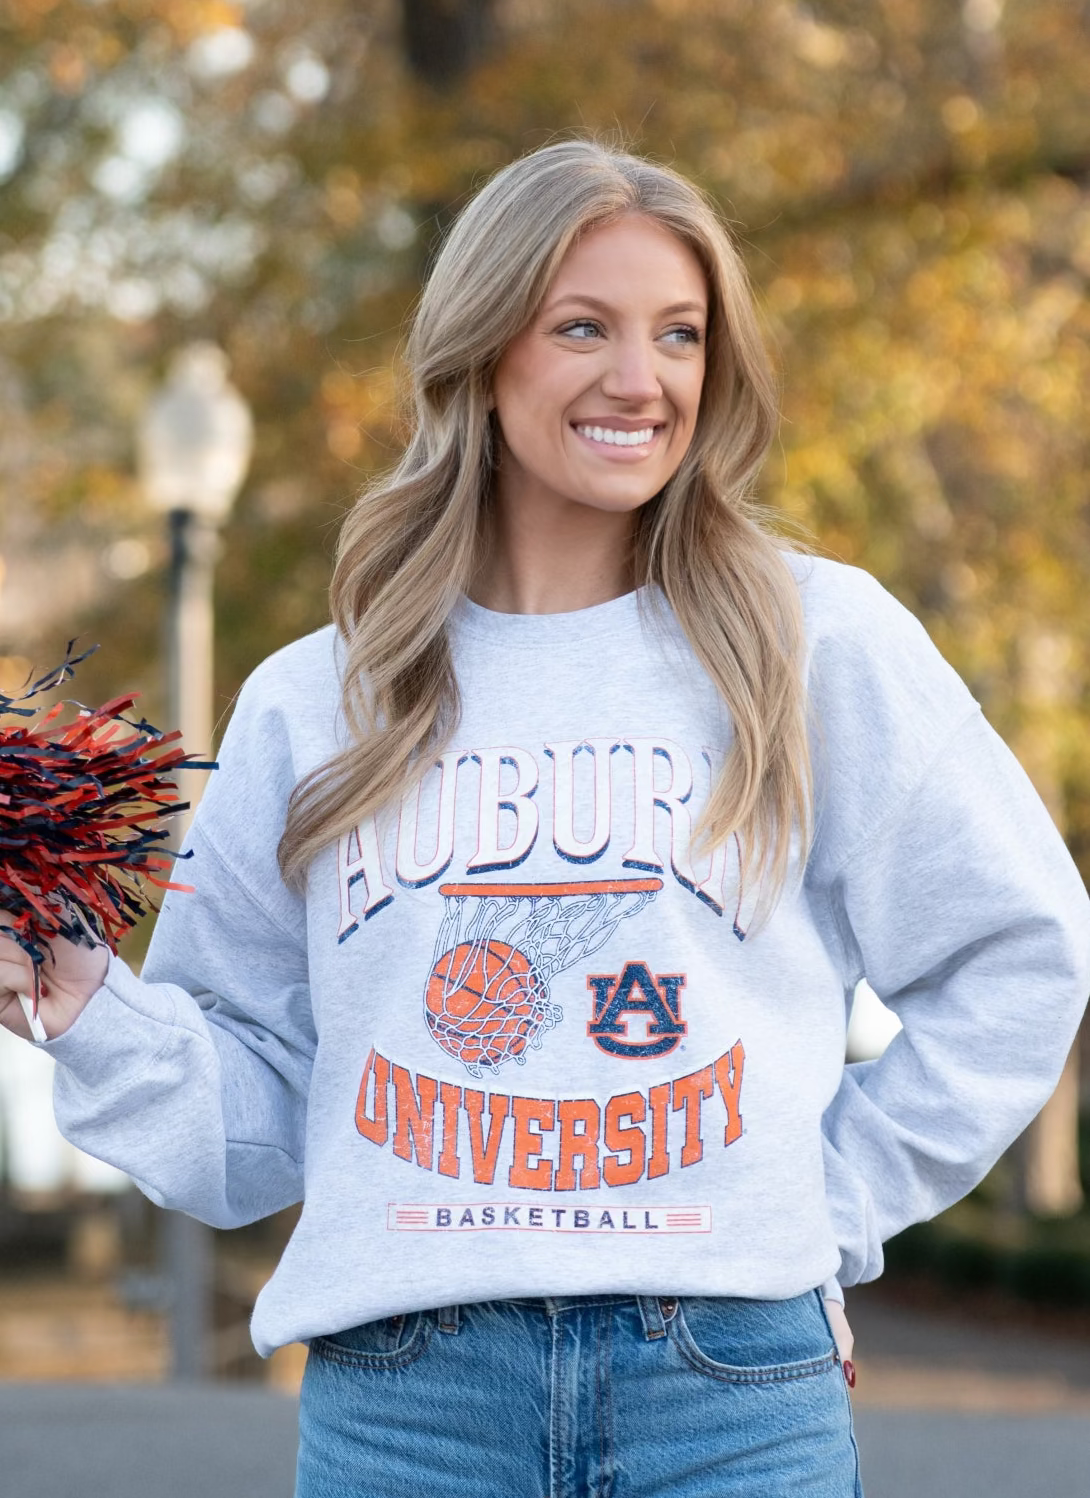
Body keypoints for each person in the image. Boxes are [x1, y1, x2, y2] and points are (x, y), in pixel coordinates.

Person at [2, 139, 1088, 1498]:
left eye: (679, 334)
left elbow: (1020, 953)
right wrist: (85, 1005)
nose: (642, 378)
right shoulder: (317, 699)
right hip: (409, 1411)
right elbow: (253, 1130)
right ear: (481, 353)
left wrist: (826, 1205)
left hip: (731, 1399)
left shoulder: (816, 643)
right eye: (584, 327)